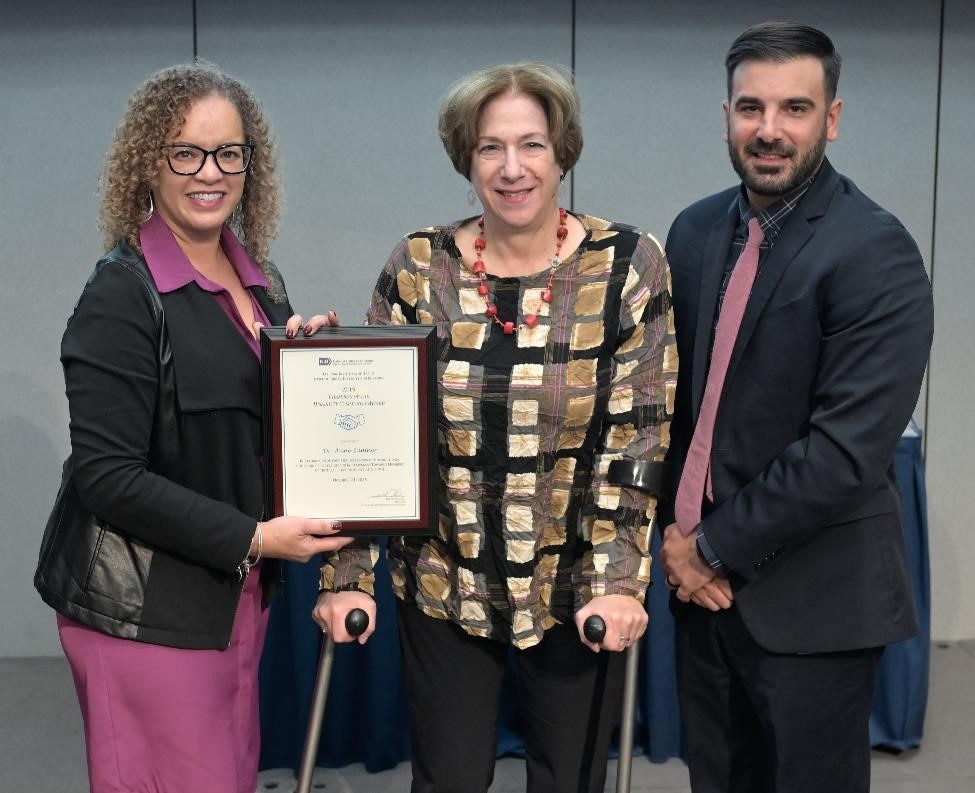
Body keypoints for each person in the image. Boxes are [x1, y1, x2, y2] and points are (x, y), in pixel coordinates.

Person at [314, 62, 676, 793]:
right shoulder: (421, 265)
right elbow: (374, 435)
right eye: (489, 148)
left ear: (563, 151)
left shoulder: (626, 264)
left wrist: (615, 581)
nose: (512, 168)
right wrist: (347, 575)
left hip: (575, 577)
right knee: (446, 780)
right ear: (465, 158)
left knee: (567, 780)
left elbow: (638, 433)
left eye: (532, 145)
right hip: (447, 577)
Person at [34, 62, 351, 793]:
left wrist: (305, 367)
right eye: (186, 152)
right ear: (150, 160)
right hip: (145, 614)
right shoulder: (123, 290)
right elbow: (106, 475)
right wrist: (253, 537)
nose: (210, 172)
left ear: (250, 162)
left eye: (228, 153)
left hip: (232, 596)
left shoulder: (260, 283)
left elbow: (246, 430)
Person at [659, 21, 935, 793]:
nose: (769, 130)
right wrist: (674, 541)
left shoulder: (873, 248)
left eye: (794, 108)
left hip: (811, 605)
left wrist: (706, 548)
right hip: (701, 602)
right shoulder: (692, 231)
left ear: (832, 118)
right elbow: (671, 410)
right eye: (750, 107)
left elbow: (842, 454)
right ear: (725, 117)